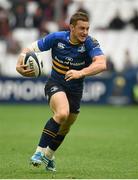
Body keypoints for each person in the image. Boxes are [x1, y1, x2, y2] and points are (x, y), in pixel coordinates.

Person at [16, 12, 107, 172]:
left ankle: (49, 156)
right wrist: (19, 63)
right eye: (81, 28)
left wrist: (81, 72)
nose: (85, 32)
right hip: (56, 83)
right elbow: (29, 49)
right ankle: (38, 152)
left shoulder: (90, 43)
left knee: (66, 126)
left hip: (76, 89)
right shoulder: (57, 38)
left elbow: (101, 64)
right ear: (71, 27)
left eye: (87, 28)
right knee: (62, 113)